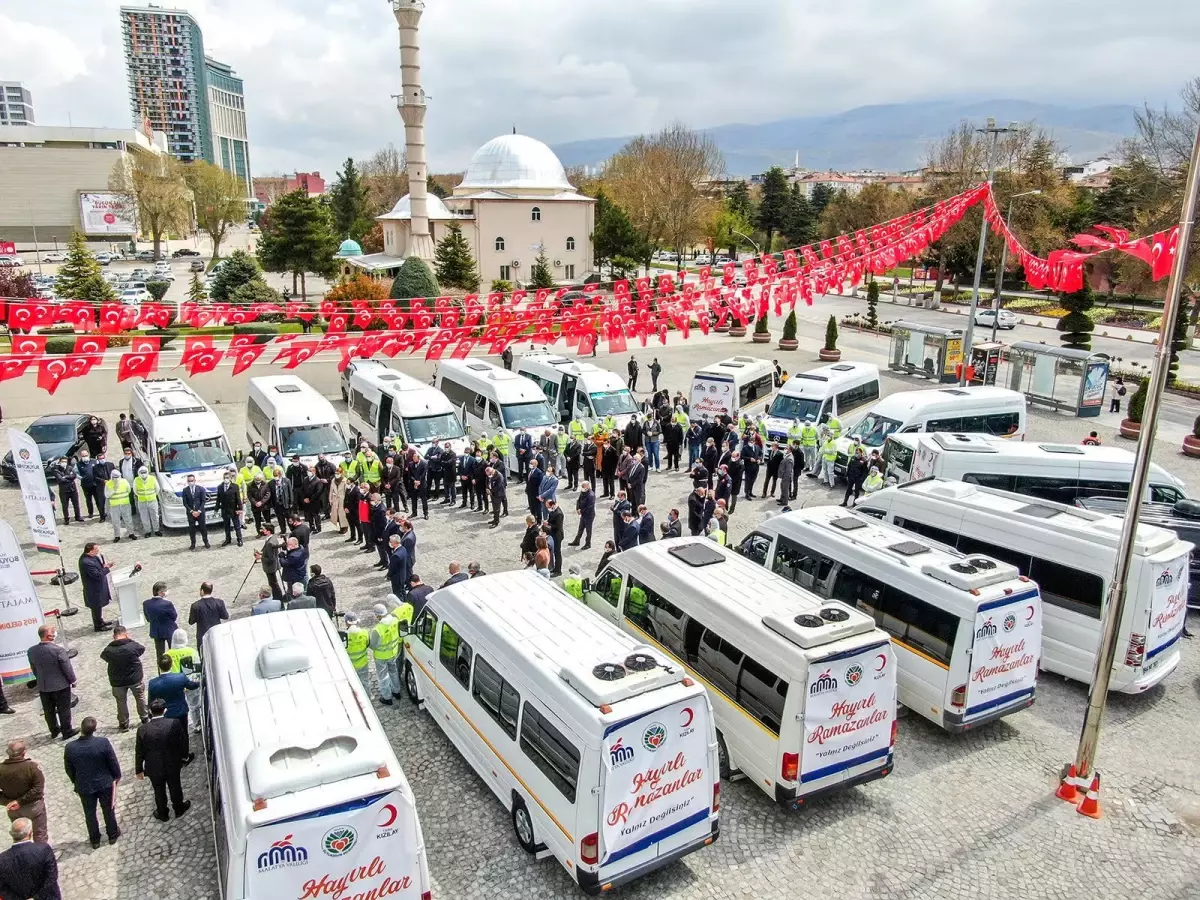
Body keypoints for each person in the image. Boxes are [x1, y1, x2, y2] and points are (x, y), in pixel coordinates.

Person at [63, 717, 122, 848]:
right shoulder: (103, 743)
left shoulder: (70, 748)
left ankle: (95, 839)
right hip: (104, 783)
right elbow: (112, 761)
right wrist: (117, 776)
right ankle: (112, 834)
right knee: (108, 809)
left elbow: (69, 769)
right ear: (94, 729)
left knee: (89, 813)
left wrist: (76, 781)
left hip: (84, 785)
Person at [135, 698, 191, 822]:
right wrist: (184, 756)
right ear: (165, 710)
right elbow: (182, 742)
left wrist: (139, 769)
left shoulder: (142, 730)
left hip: (153, 766)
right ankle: (178, 808)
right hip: (172, 763)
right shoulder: (174, 723)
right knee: (175, 786)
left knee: (158, 790)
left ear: (150, 711)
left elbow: (139, 752)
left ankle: (162, 812)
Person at [27, 625, 75, 740]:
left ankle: (54, 731)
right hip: (61, 685)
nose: (55, 633)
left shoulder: (32, 651)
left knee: (49, 711)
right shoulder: (58, 650)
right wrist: (72, 680)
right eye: (53, 632)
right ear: (49, 636)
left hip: (43, 686)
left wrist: (39, 678)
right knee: (64, 709)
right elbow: (66, 668)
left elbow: (34, 668)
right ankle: (66, 731)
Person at [100, 625, 148, 732]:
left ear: (114, 636)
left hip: (117, 681)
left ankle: (123, 723)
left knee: (121, 701)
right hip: (134, 678)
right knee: (140, 697)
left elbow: (103, 656)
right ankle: (144, 717)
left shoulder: (109, 650)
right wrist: (129, 640)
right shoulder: (132, 646)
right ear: (126, 634)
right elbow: (141, 649)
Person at [0, 740, 47, 844]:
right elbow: (38, 789)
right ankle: (42, 857)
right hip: (33, 807)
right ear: (23, 753)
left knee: (21, 837)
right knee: (40, 836)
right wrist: (19, 801)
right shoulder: (31, 767)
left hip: (13, 810)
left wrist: (9, 802)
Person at [0, 818, 59, 900]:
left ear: (11, 834)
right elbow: (51, 877)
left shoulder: (2, 860)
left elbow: (3, 888)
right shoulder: (43, 849)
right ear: (30, 833)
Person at [78, 542, 114, 633]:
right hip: (93, 589)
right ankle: (98, 626)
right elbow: (97, 575)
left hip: (99, 587)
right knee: (96, 607)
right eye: (96, 550)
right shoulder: (85, 562)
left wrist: (104, 566)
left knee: (98, 607)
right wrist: (107, 568)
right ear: (90, 551)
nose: (98, 551)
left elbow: (99, 568)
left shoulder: (94, 557)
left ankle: (100, 621)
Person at [369, 603, 400, 705]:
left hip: (381, 656)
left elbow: (373, 645)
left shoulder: (378, 629)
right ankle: (397, 691)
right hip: (393, 652)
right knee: (393, 672)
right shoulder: (395, 620)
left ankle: (387, 697)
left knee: (383, 676)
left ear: (377, 615)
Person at [187, 582, 228, 652]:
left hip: (202, 636)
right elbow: (225, 616)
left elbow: (191, 621)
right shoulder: (219, 602)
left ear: (202, 591)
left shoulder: (195, 605)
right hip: (216, 634)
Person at [104, 467, 136, 542]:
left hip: (125, 504)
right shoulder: (108, 483)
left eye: (117, 477)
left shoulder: (124, 481)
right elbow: (107, 495)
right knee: (115, 521)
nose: (116, 479)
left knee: (128, 519)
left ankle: (131, 533)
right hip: (114, 505)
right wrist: (113, 490)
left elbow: (128, 490)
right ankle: (117, 535)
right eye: (114, 477)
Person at [47, 456, 82, 526]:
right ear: (59, 462)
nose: (64, 463)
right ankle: (66, 519)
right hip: (64, 490)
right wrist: (69, 477)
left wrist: (65, 477)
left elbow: (74, 476)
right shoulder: (55, 469)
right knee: (65, 505)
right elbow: (60, 479)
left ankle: (78, 516)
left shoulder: (69, 467)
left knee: (76, 504)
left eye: (65, 462)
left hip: (73, 489)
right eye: (62, 461)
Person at [255, 527, 286, 603]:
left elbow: (270, 558)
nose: (262, 531)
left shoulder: (269, 543)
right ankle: (278, 598)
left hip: (270, 567)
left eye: (264, 530)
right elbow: (271, 552)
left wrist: (260, 557)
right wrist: (262, 553)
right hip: (274, 565)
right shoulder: (273, 537)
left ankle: (278, 599)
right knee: (273, 583)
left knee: (274, 584)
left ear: (268, 531)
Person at [216, 468, 244, 547]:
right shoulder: (220, 487)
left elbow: (238, 498)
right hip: (224, 509)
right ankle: (228, 539)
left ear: (231, 478)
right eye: (225, 478)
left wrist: (240, 509)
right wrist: (216, 509)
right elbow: (218, 499)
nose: (226, 479)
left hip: (233, 509)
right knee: (226, 526)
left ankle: (240, 539)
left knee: (237, 525)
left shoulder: (235, 486)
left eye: (227, 478)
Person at [131, 465, 162, 538]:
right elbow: (135, 491)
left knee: (155, 516)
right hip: (142, 501)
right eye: (141, 472)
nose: (143, 474)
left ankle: (156, 530)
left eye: (144, 472)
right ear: (139, 473)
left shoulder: (152, 478)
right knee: (144, 517)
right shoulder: (136, 480)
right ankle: (148, 531)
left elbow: (157, 489)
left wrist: (152, 495)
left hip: (152, 500)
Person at [181, 474, 209, 550]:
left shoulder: (201, 489)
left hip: (200, 512)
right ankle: (193, 543)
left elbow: (203, 501)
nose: (190, 482)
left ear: (195, 480)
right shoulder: (185, 490)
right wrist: (191, 511)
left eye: (192, 480)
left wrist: (199, 511)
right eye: (189, 481)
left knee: (203, 528)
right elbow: (185, 503)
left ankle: (206, 542)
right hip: (191, 513)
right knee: (192, 529)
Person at [342, 612, 370, 687]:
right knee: (365, 683)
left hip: (350, 665)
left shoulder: (344, 635)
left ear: (347, 622)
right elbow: (367, 644)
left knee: (352, 685)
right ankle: (368, 697)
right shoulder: (365, 632)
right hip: (363, 663)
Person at [569, 481, 595, 549]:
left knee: (588, 530)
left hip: (589, 515)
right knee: (580, 528)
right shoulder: (583, 492)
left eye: (583, 486)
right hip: (583, 514)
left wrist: (581, 511)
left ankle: (588, 543)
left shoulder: (591, 495)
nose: (582, 488)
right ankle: (577, 541)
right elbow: (578, 500)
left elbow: (589, 507)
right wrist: (578, 508)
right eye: (582, 486)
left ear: (588, 486)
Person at [544, 499, 565, 576]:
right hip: (553, 534)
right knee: (554, 552)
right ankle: (555, 568)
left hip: (557, 535)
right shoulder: (553, 510)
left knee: (557, 553)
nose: (547, 508)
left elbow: (558, 527)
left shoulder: (559, 514)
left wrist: (548, 523)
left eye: (547, 506)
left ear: (552, 505)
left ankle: (558, 570)